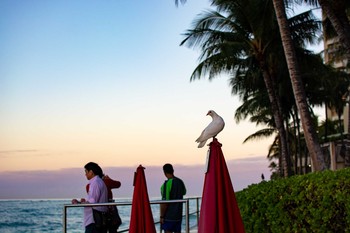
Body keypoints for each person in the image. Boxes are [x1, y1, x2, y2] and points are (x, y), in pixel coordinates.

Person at [72, 162, 108, 233]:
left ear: (91, 172)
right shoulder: (99, 181)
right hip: (98, 220)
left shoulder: (95, 183)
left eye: (86, 172)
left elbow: (93, 202)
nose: (85, 174)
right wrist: (83, 202)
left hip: (93, 221)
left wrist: (78, 203)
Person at [160, 163, 187, 233]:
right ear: (173, 170)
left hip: (169, 217)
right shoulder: (180, 182)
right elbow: (184, 192)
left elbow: (165, 203)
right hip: (178, 216)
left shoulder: (167, 184)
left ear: (164, 172)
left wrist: (161, 216)